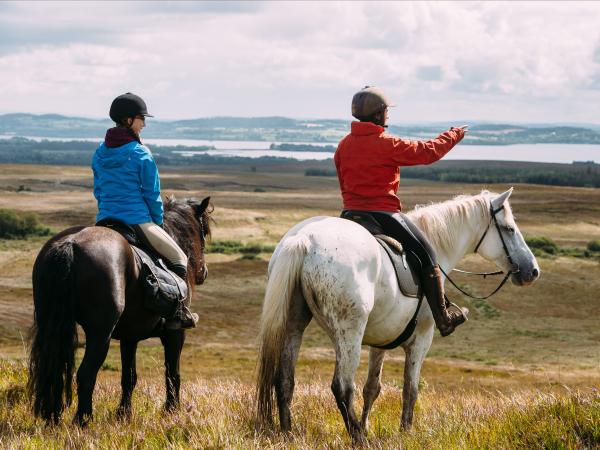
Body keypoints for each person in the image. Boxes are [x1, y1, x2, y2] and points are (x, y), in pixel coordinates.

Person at [334, 86, 469, 336]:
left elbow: (343, 181)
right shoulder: (386, 143)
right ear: (377, 114)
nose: (388, 114)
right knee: (428, 254)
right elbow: (428, 153)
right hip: (383, 214)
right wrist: (453, 135)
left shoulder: (343, 145)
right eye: (385, 110)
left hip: (350, 214)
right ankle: (443, 319)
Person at [92, 92, 198, 329]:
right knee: (179, 258)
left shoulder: (100, 151)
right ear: (129, 120)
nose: (144, 123)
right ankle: (177, 314)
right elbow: (152, 195)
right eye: (141, 118)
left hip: (105, 220)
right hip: (137, 220)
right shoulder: (141, 153)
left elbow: (98, 189)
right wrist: (158, 223)